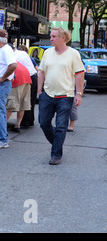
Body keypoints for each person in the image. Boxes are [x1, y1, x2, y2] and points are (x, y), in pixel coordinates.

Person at [37, 27, 85, 165]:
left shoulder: (73, 54)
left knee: (61, 126)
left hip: (65, 96)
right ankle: (57, 144)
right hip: (47, 94)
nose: (51, 39)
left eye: (54, 36)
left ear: (63, 38)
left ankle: (56, 155)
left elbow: (79, 74)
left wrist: (79, 94)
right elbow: (41, 72)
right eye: (51, 36)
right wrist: (39, 90)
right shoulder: (47, 53)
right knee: (44, 123)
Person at [6, 60, 32, 133]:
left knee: (12, 103)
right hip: (27, 79)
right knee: (22, 103)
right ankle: (18, 125)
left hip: (18, 79)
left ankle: (2, 126)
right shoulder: (14, 59)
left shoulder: (3, 61)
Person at [17, 45, 38, 128]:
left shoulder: (20, 57)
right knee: (31, 100)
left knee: (26, 100)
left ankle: (25, 121)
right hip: (34, 77)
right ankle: (30, 120)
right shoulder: (30, 58)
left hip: (28, 78)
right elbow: (36, 69)